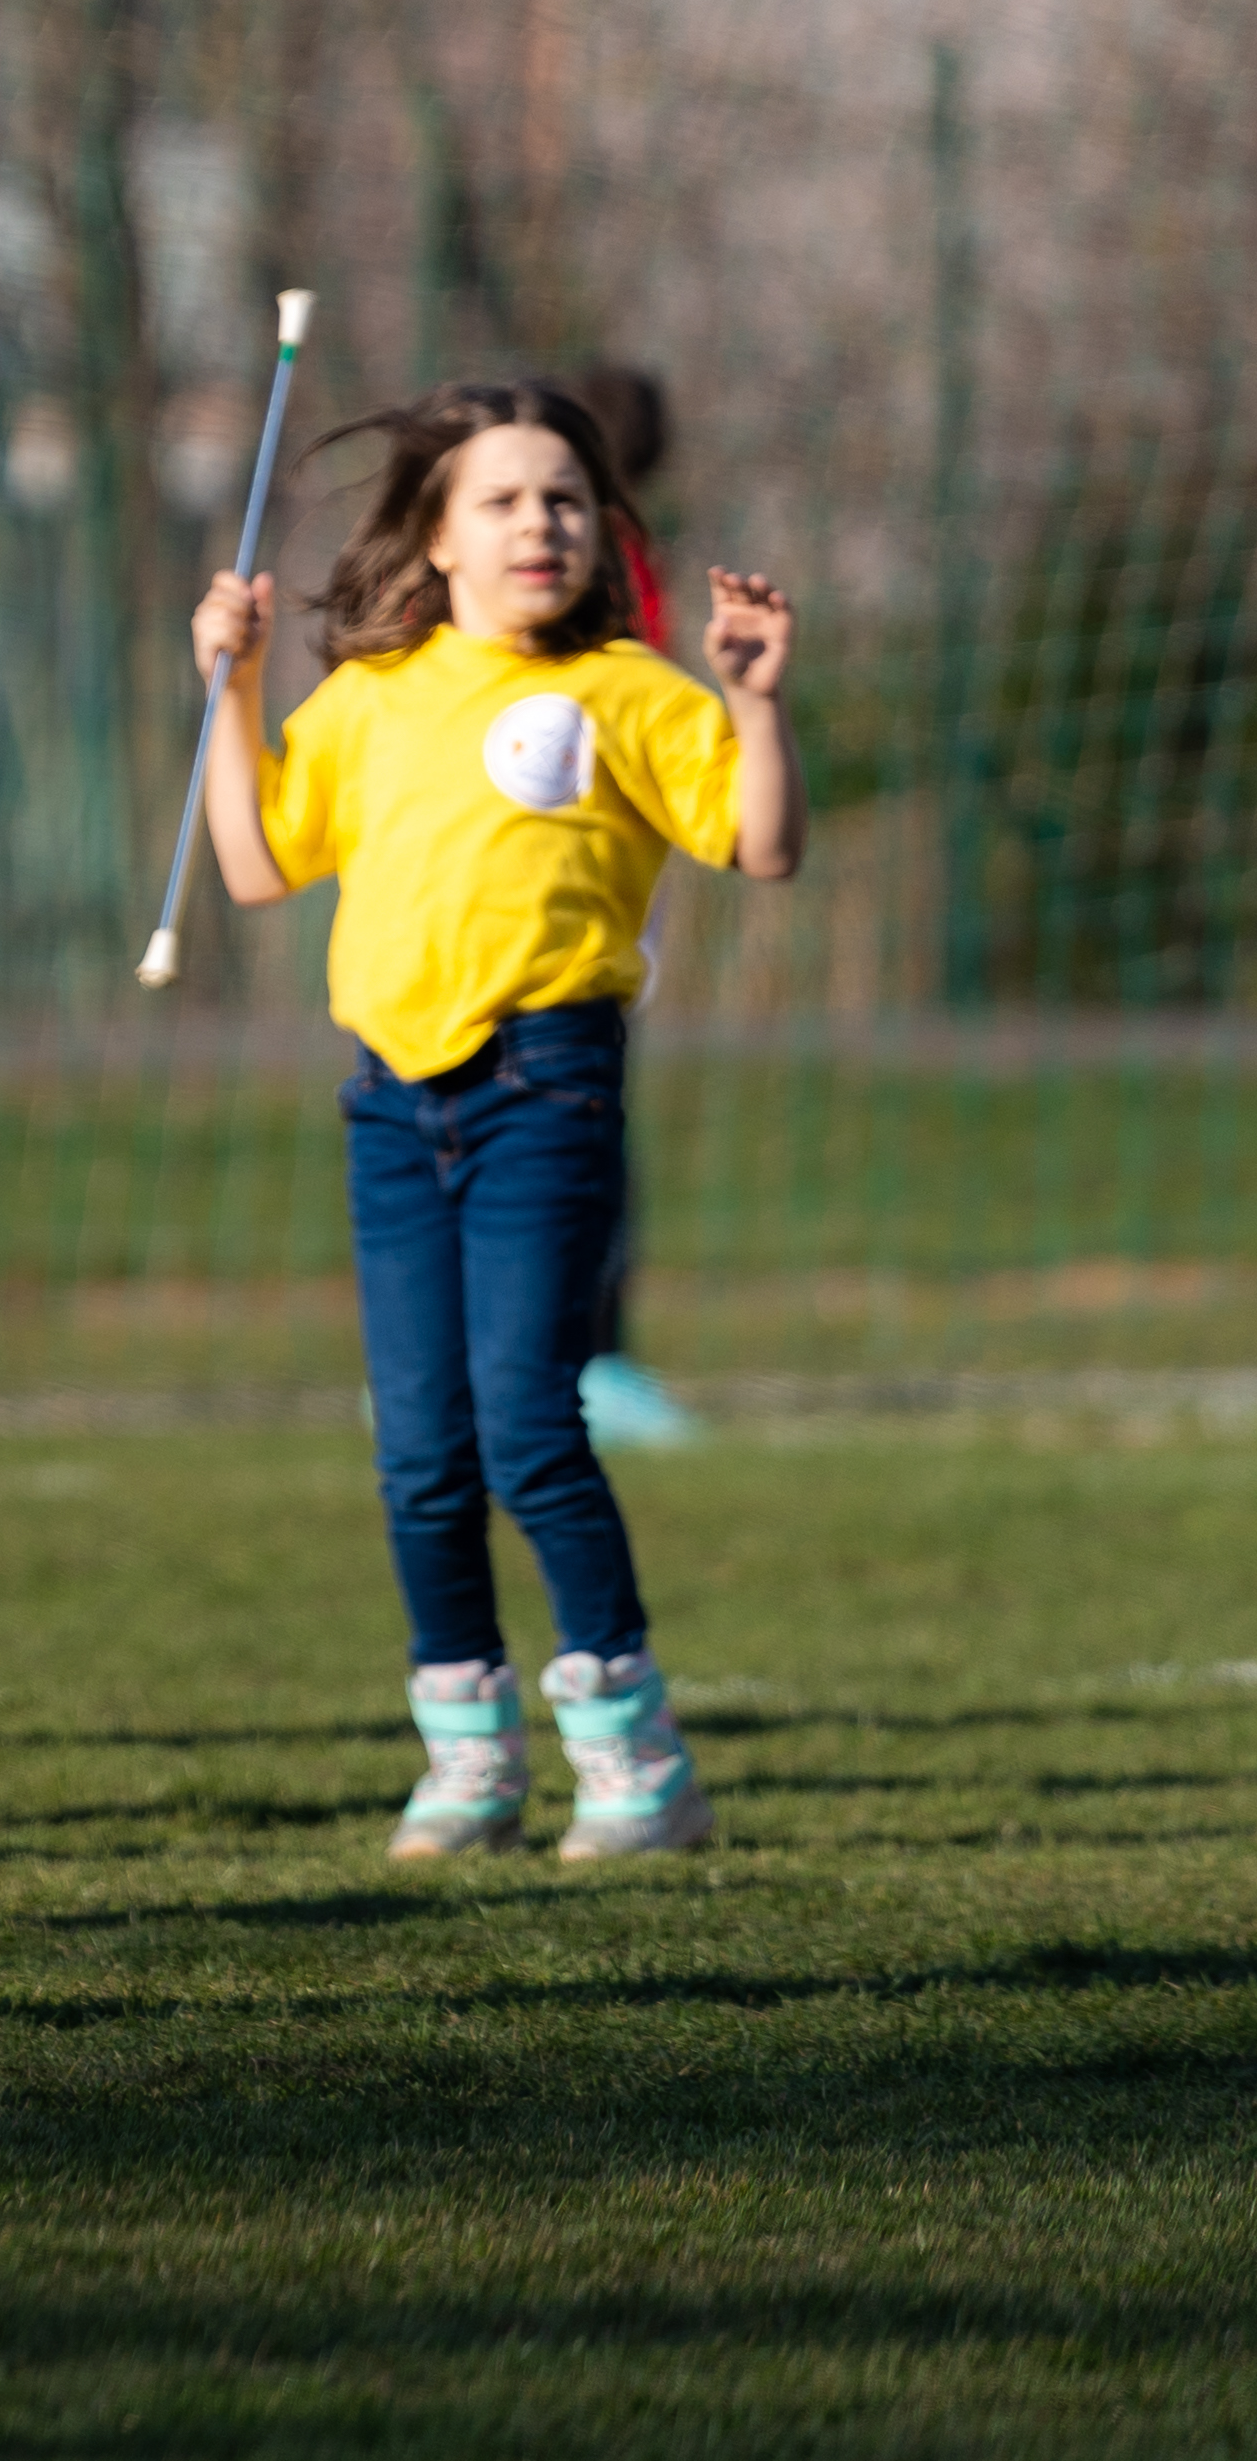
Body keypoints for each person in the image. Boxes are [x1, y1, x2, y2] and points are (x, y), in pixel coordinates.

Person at [192, 376, 805, 1867]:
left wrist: (755, 697)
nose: (543, 520)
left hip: (548, 1082)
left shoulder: (634, 693)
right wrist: (232, 689)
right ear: (439, 538)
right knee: (420, 1447)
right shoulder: (368, 698)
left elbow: (763, 844)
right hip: (392, 1103)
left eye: (568, 499)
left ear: (602, 535)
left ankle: (633, 1759)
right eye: (506, 498)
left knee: (531, 1421)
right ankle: (468, 1755)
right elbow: (261, 866)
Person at [552, 361, 700, 1459]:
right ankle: (583, 1352)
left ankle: (540, 1351)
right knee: (580, 1114)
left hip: (560, 880)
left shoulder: (568, 551)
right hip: (583, 887)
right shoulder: (604, 557)